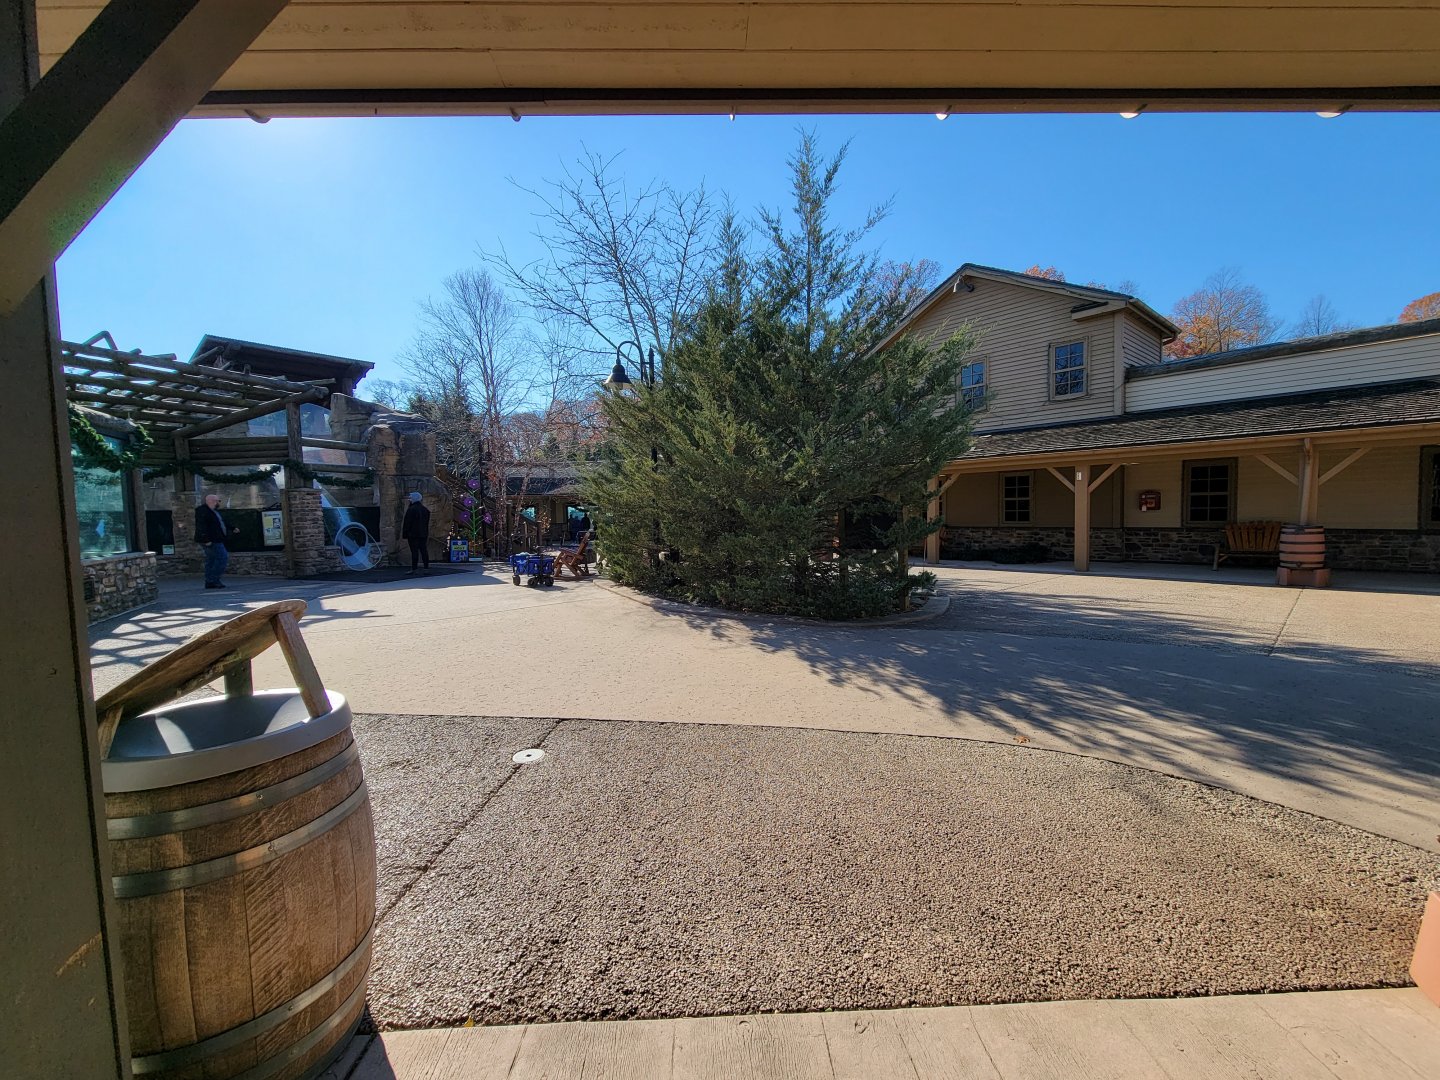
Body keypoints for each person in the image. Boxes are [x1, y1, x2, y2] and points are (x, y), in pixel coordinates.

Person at [194, 493, 237, 589]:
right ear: (211, 501)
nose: (219, 503)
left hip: (215, 539)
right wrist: (206, 539)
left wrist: (232, 527)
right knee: (222, 558)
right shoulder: (203, 511)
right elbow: (201, 526)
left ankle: (210, 581)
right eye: (218, 501)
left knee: (212, 560)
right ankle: (214, 580)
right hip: (211, 540)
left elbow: (222, 522)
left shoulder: (214, 511)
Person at [401, 492, 431, 574]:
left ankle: (414, 568)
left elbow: (407, 523)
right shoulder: (425, 510)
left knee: (414, 551)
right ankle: (426, 568)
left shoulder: (411, 509)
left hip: (413, 534)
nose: (409, 499)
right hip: (423, 533)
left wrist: (405, 533)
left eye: (410, 498)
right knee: (423, 550)